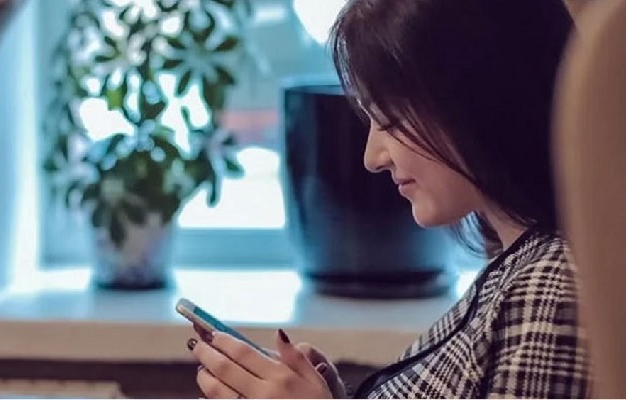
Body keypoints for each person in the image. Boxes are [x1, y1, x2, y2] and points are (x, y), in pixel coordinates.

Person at [185, 0, 593, 397]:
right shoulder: (520, 269)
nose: (372, 157)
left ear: (477, 100)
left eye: (389, 119)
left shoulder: (550, 287)